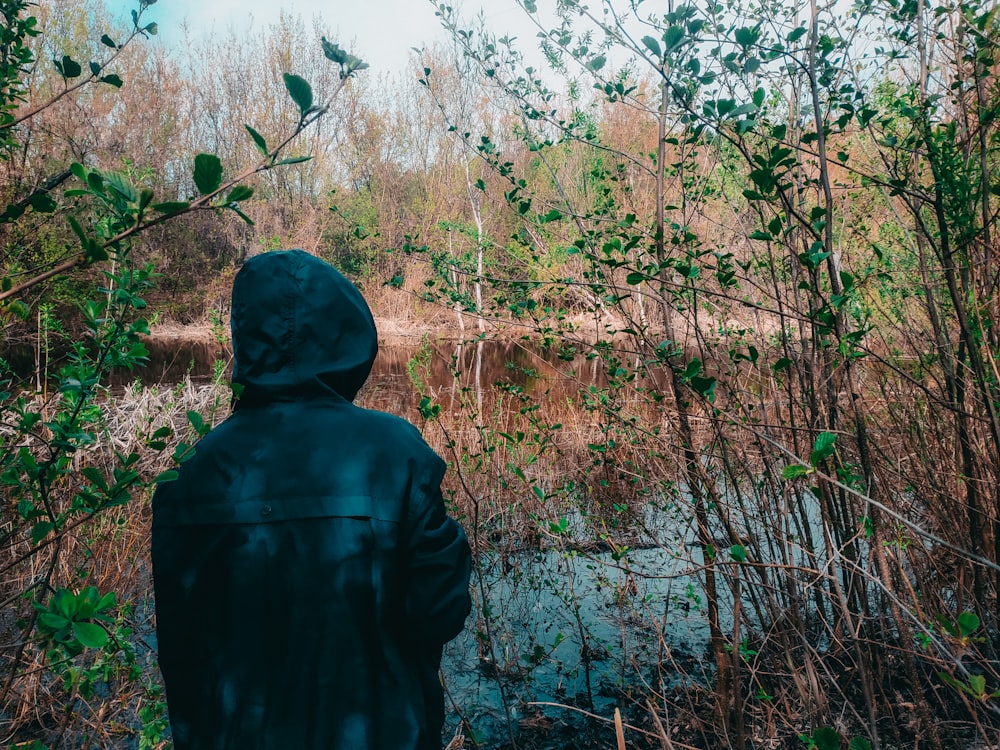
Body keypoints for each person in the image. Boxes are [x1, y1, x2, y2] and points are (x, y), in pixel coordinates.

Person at [151, 249, 472, 750]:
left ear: (246, 337)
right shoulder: (396, 450)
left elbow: (181, 643)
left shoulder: (187, 471)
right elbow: (441, 610)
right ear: (348, 335)